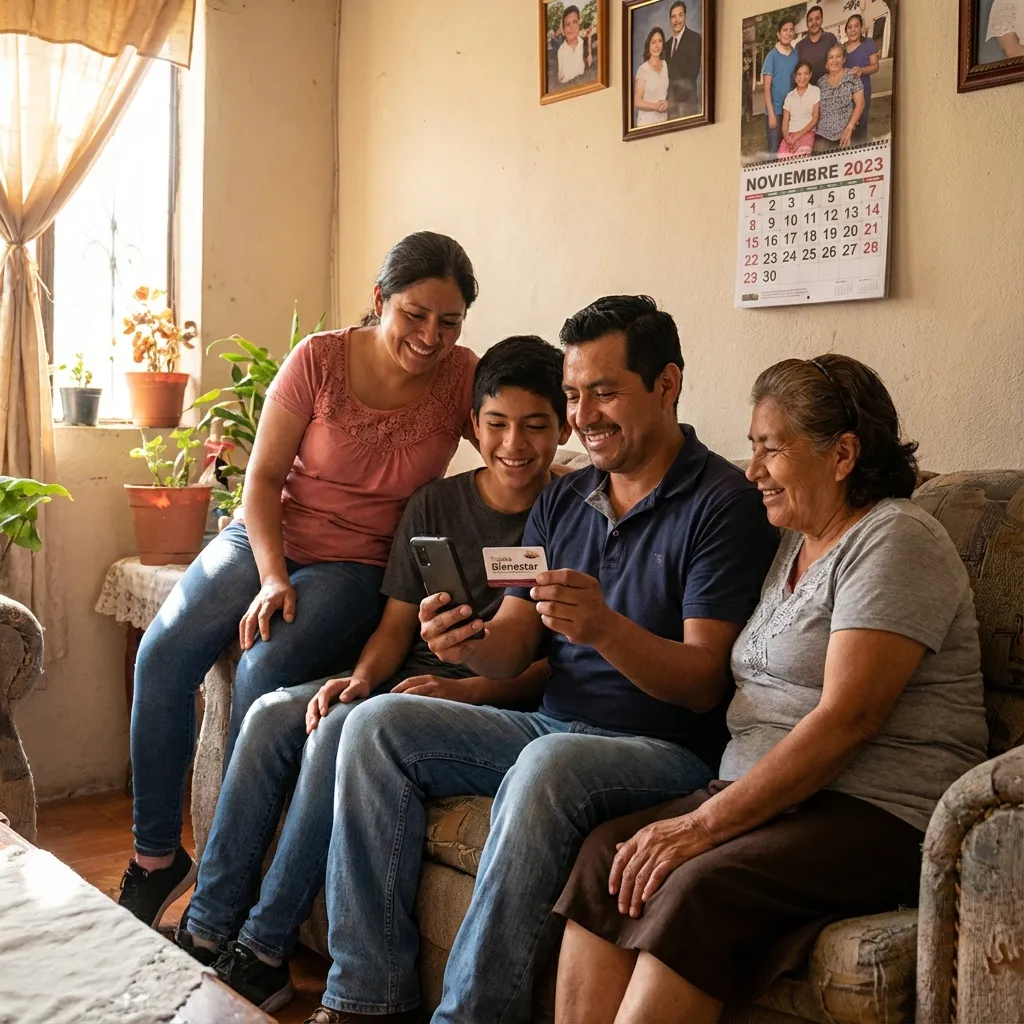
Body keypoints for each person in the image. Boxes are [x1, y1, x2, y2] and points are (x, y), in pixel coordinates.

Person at [299, 296, 780, 1024]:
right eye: (575, 395)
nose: (584, 416)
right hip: (552, 728)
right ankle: (368, 999)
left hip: (666, 752)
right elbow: (517, 640)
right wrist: (466, 640)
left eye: (605, 392)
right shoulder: (566, 497)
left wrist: (606, 629)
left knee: (547, 765)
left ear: (667, 385)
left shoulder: (722, 503)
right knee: (376, 726)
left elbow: (703, 681)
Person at [552, 354, 989, 1024]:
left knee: (700, 884)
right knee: (608, 855)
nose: (752, 470)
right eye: (752, 449)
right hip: (774, 799)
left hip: (874, 815)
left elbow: (849, 717)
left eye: (770, 449)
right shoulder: (795, 542)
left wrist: (703, 825)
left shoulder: (895, 538)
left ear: (842, 454)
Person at [175, 337, 571, 1012]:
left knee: (339, 732)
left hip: (484, 700)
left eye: (537, 426)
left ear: (563, 428)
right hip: (403, 685)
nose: (515, 444)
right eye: (498, 424)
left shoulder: (564, 514)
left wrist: (461, 689)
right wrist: (360, 679)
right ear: (472, 427)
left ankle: (265, 948)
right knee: (276, 710)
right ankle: (208, 926)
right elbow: (394, 627)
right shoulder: (435, 505)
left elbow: (548, 667)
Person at [116, 232, 480, 929]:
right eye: (415, 314)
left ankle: (229, 882)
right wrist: (272, 575)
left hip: (362, 564)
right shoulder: (320, 360)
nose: (431, 336)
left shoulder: (460, 377)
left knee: (265, 668)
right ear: (380, 301)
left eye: (449, 321)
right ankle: (157, 862)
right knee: (161, 655)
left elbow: (507, 444)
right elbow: (261, 478)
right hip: (269, 538)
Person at [814, 44, 865, 152]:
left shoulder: (852, 76)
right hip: (824, 131)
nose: (834, 60)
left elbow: (860, 104)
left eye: (838, 56)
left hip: (846, 127)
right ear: (826, 63)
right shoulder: (820, 82)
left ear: (844, 59)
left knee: (846, 158)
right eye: (831, 57)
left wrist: (850, 127)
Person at [761, 17, 799, 159]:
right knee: (774, 150)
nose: (788, 33)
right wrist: (771, 114)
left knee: (789, 148)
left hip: (792, 111)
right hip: (776, 111)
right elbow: (766, 88)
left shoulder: (796, 55)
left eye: (791, 30)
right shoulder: (772, 56)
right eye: (785, 30)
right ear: (778, 34)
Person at [843, 14, 879, 145]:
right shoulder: (842, 48)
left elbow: (875, 66)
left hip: (863, 92)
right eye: (849, 27)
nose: (852, 30)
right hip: (846, 96)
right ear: (845, 30)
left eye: (856, 26)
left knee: (862, 127)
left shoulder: (868, 43)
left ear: (861, 28)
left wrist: (862, 70)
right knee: (848, 128)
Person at [664, 1, 702, 119]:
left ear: (685, 16)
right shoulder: (666, 45)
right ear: (670, 20)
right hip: (669, 106)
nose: (677, 20)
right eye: (673, 16)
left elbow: (691, 73)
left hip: (686, 105)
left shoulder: (694, 39)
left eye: (680, 15)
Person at [777, 61, 820, 159]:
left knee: (800, 159)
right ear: (795, 77)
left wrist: (798, 136)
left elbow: (815, 119)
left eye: (806, 73)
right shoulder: (790, 96)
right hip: (790, 135)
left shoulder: (815, 91)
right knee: (782, 158)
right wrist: (787, 138)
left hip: (807, 132)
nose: (802, 77)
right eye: (799, 74)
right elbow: (785, 123)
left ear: (810, 75)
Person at [634, 27, 670, 127]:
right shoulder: (643, 69)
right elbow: (637, 102)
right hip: (646, 122)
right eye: (653, 42)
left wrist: (667, 104)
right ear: (648, 45)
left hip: (663, 120)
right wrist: (656, 107)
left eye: (660, 41)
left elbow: (667, 92)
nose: (657, 45)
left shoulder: (665, 65)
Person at [796, 4, 839, 83]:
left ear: (822, 20)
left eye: (817, 18)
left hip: (829, 89)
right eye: (810, 20)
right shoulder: (800, 46)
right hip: (808, 92)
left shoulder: (830, 39)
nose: (814, 22)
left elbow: (840, 62)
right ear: (807, 23)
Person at [557, 5, 591, 85]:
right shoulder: (561, 51)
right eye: (568, 24)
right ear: (563, 30)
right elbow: (560, 78)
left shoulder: (583, 44)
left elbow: (589, 63)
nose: (571, 27)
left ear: (579, 24)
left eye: (575, 22)